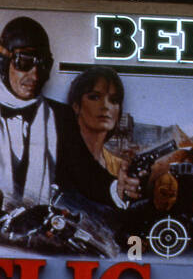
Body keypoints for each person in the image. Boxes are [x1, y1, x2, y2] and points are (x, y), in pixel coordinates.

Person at [0, 16, 63, 203]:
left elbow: (87, 175)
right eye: (24, 62)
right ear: (3, 63)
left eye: (44, 64)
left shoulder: (62, 117)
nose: (35, 75)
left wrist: (120, 187)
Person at [56, 66, 140, 209]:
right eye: (94, 97)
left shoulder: (120, 168)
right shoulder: (56, 157)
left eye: (114, 100)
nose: (105, 106)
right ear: (76, 106)